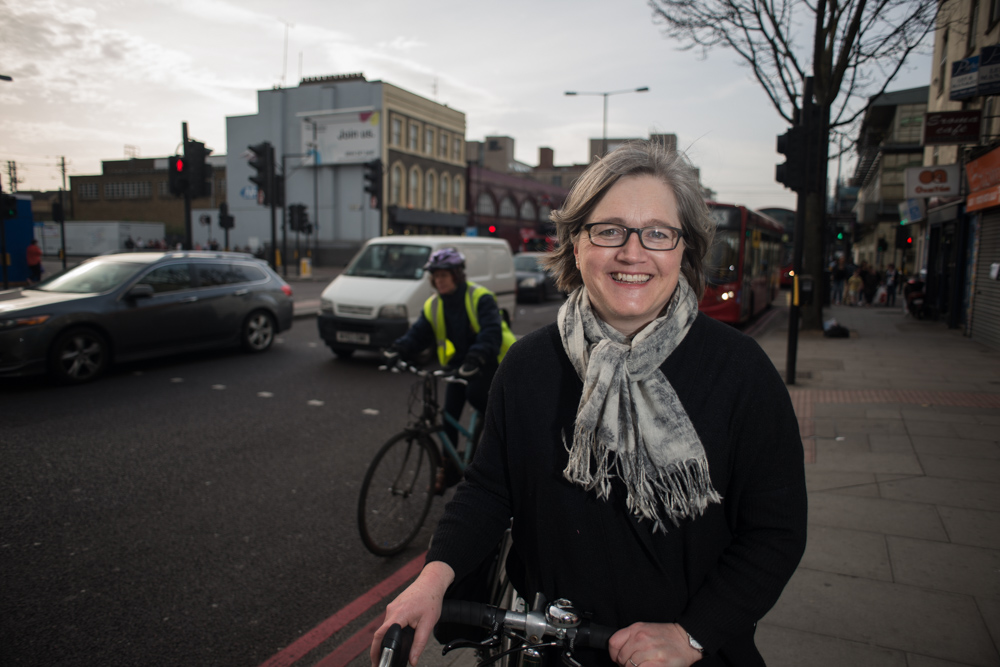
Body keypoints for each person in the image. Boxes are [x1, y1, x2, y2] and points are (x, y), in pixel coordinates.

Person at [371, 141, 807, 667]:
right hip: (546, 651)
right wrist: (433, 579)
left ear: (684, 250)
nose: (632, 251)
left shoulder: (742, 372)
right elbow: (489, 490)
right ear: (576, 245)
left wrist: (693, 634)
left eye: (658, 233)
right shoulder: (528, 366)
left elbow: (776, 531)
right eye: (609, 230)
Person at [384, 247, 516, 491]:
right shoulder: (434, 304)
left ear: (457, 275)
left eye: (443, 275)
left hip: (490, 361)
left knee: (486, 407)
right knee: (448, 418)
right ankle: (449, 468)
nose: (438, 281)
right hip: (459, 365)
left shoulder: (480, 297)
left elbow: (490, 333)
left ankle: (495, 461)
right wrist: (397, 349)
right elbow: (418, 334)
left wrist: (475, 358)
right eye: (435, 277)